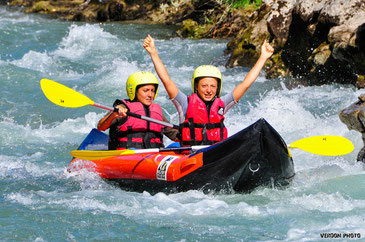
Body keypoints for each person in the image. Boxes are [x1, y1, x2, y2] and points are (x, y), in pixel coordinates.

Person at [143, 34, 274, 146]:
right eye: (204, 86)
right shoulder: (184, 103)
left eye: (213, 86)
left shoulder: (222, 104)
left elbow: (245, 84)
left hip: (216, 153)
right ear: (196, 87)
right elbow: (166, 80)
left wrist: (263, 57)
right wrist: (153, 53)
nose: (209, 90)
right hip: (190, 155)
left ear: (218, 88)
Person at [97, 71, 177, 150]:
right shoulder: (122, 108)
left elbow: (175, 136)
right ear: (134, 91)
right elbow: (101, 127)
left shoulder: (156, 112)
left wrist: (186, 132)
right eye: (146, 90)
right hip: (126, 156)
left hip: (153, 156)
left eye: (152, 90)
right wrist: (113, 115)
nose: (150, 95)